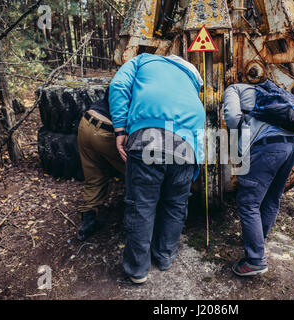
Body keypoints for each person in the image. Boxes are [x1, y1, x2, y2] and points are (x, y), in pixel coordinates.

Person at [109, 53, 205, 284]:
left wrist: (120, 130)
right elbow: (199, 127)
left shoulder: (142, 60)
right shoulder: (192, 79)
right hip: (186, 145)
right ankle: (165, 256)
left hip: (147, 135)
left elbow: (118, 85)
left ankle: (137, 269)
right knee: (175, 205)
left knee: (141, 205)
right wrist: (195, 167)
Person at [223, 82, 294, 276]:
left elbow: (232, 118)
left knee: (248, 202)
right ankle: (258, 240)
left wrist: (239, 141)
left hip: (268, 148)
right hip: (292, 146)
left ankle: (255, 260)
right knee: (271, 199)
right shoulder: (271, 90)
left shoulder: (234, 88)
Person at [76, 87, 124, 241]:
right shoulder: (143, 80)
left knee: (94, 174)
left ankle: (87, 223)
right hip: (108, 131)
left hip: (87, 122)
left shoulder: (124, 76)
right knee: (138, 173)